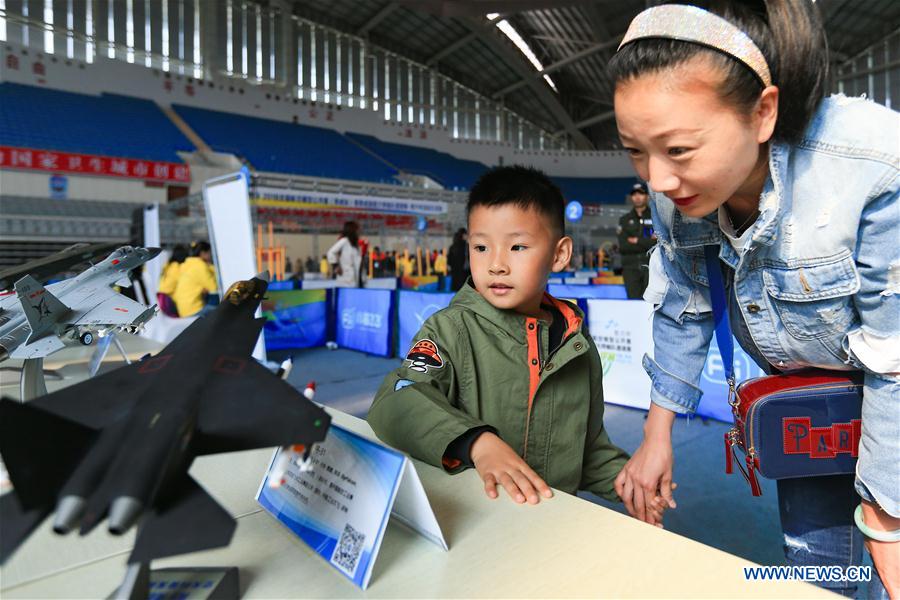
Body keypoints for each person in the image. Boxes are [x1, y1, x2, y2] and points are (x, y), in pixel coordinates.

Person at [608, 2, 898, 596]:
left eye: (679, 150)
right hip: (820, 417)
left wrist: (889, 519)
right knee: (821, 576)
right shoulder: (676, 197)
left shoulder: (872, 164)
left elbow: (897, 354)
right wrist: (655, 435)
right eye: (636, 150)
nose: (657, 180)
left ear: (763, 111)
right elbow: (685, 303)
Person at [367, 166, 666, 515]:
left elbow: (587, 450)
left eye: (517, 246)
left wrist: (628, 483)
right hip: (476, 525)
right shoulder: (450, 329)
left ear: (559, 255)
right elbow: (396, 401)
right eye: (481, 247)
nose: (496, 264)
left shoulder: (576, 343)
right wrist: (476, 442)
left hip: (549, 527)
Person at [617, 183, 656, 299]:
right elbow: (623, 246)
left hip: (651, 267)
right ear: (631, 197)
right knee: (633, 302)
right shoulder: (624, 220)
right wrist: (647, 241)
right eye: (634, 194)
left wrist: (636, 240)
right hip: (630, 268)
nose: (637, 197)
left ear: (647, 196)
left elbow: (657, 244)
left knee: (650, 302)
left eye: (641, 193)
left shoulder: (655, 218)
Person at [171, 241, 217, 317]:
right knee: (222, 306)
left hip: (183, 310)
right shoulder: (200, 266)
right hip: (194, 310)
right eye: (209, 253)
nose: (211, 255)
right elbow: (214, 288)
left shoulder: (187, 264)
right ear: (203, 253)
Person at [326, 221, 362, 287]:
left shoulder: (356, 245)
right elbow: (330, 252)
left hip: (355, 280)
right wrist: (335, 266)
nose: (359, 232)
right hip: (345, 279)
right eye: (357, 229)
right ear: (352, 230)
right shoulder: (344, 241)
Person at [157, 244, 187, 317]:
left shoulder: (168, 264)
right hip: (168, 299)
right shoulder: (177, 267)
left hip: (161, 297)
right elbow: (178, 284)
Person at [447, 228, 469, 292]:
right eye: (466, 234)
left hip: (455, 271)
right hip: (463, 272)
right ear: (463, 235)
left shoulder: (452, 246)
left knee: (455, 287)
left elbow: (449, 260)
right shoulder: (466, 246)